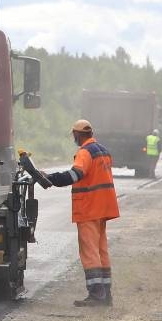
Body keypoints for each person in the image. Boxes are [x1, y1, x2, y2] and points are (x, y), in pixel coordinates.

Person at [39, 119, 120, 307]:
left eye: (74, 135)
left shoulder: (84, 152)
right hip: (103, 208)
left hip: (89, 208)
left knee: (89, 250)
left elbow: (75, 175)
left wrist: (50, 177)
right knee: (101, 250)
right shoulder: (103, 150)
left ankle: (96, 295)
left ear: (77, 134)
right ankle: (106, 294)